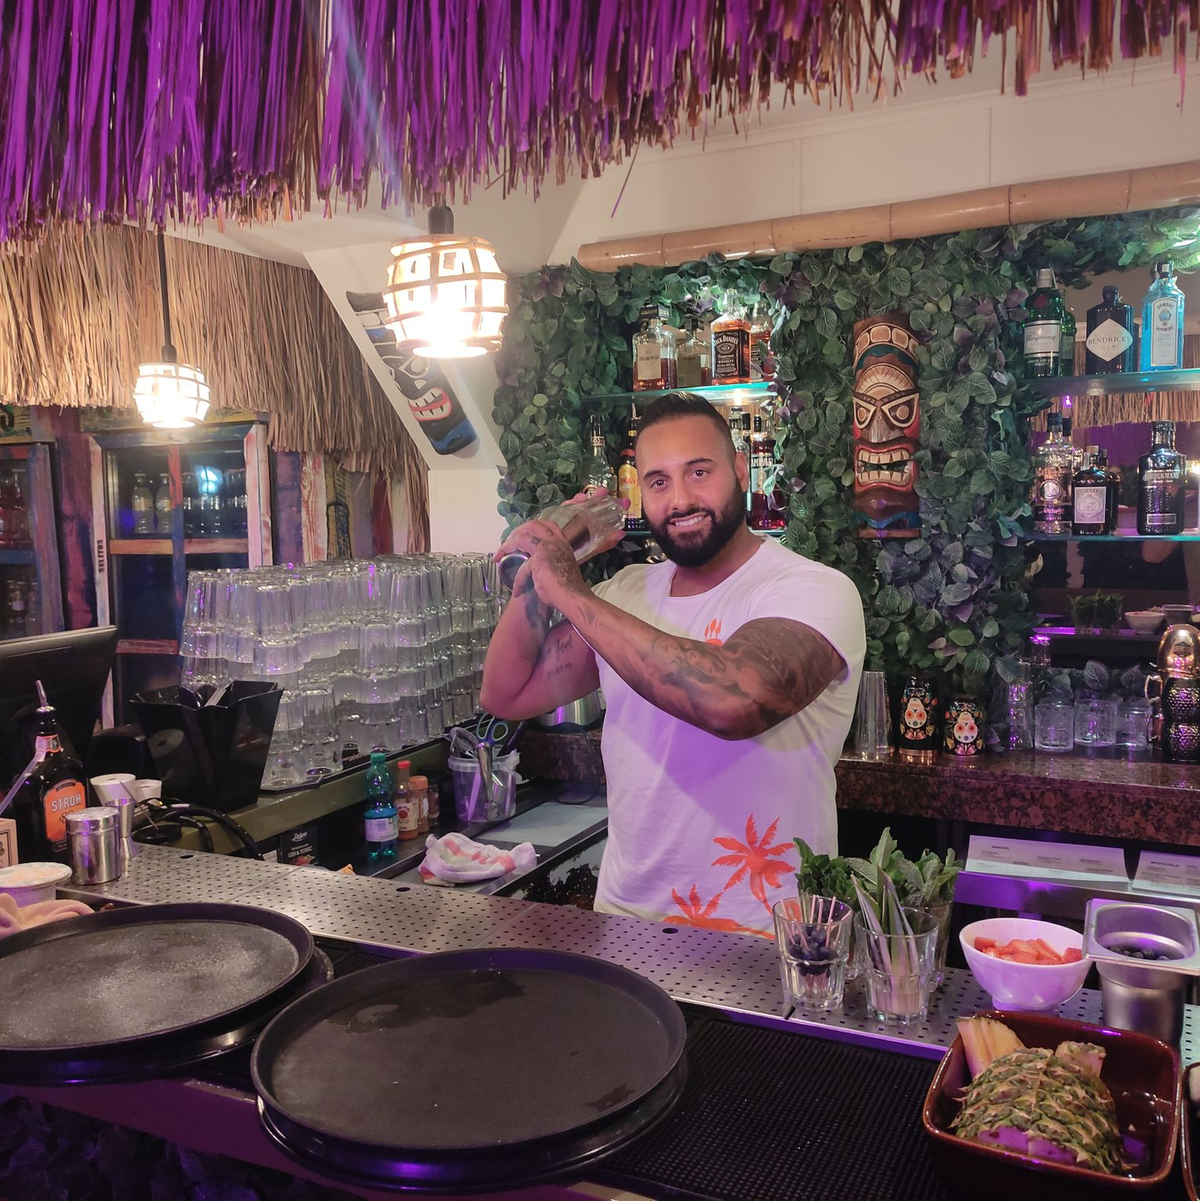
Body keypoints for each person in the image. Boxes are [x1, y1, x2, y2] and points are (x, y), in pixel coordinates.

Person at [481, 392, 865, 936]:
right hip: (628, 923)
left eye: (699, 472)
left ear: (738, 470)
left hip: (771, 931)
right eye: (658, 481)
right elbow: (506, 694)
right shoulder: (624, 594)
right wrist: (541, 567)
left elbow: (735, 702)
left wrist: (571, 591)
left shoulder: (812, 589)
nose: (680, 499)